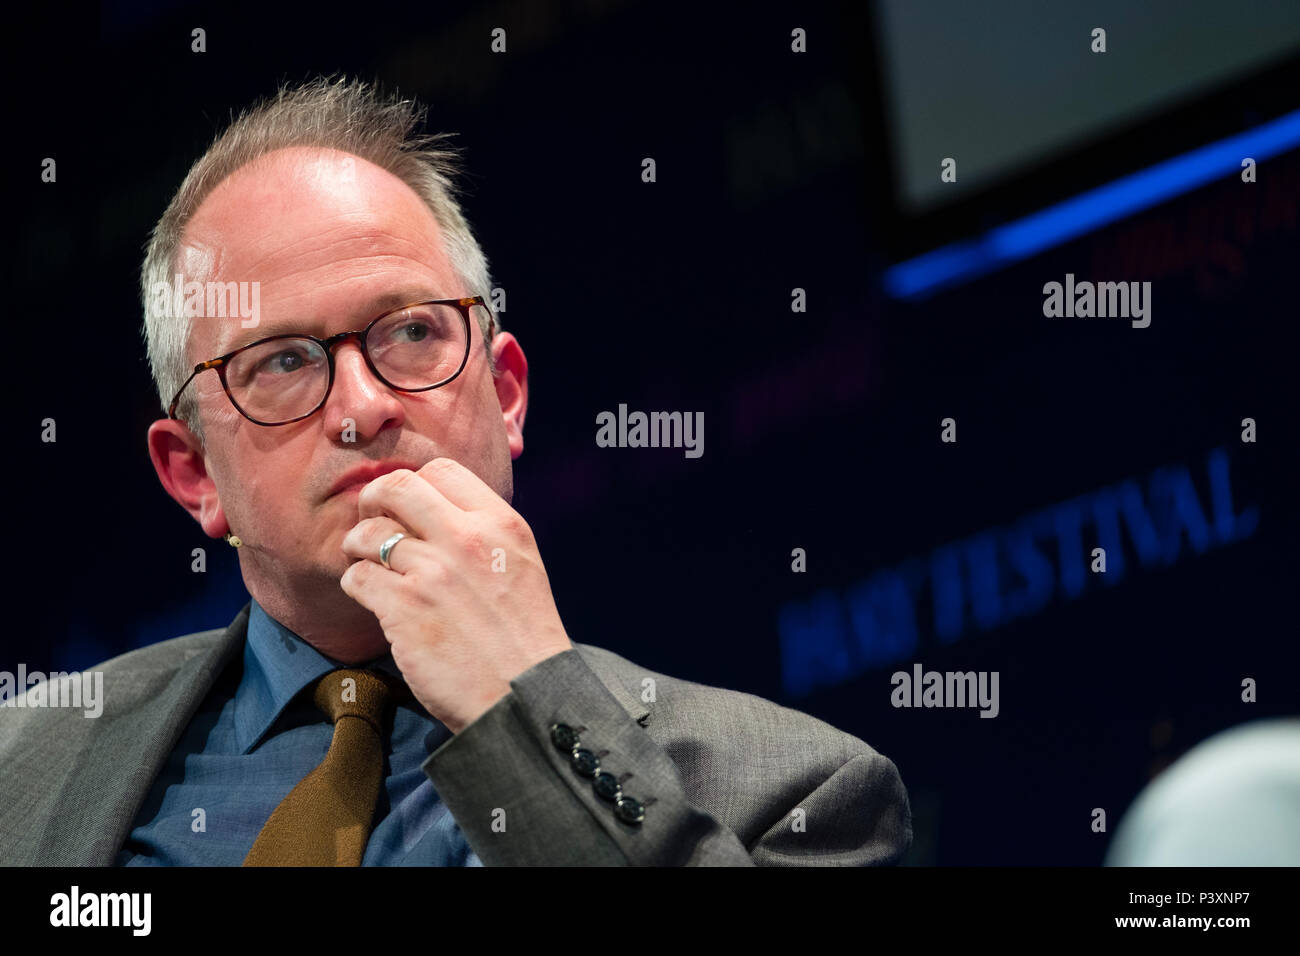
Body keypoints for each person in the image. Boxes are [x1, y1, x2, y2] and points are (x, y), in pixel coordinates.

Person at [0, 77, 910, 866]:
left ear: (506, 394)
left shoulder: (796, 793)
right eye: (281, 362)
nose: (361, 407)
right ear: (192, 471)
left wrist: (530, 700)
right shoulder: (22, 770)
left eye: (410, 332)